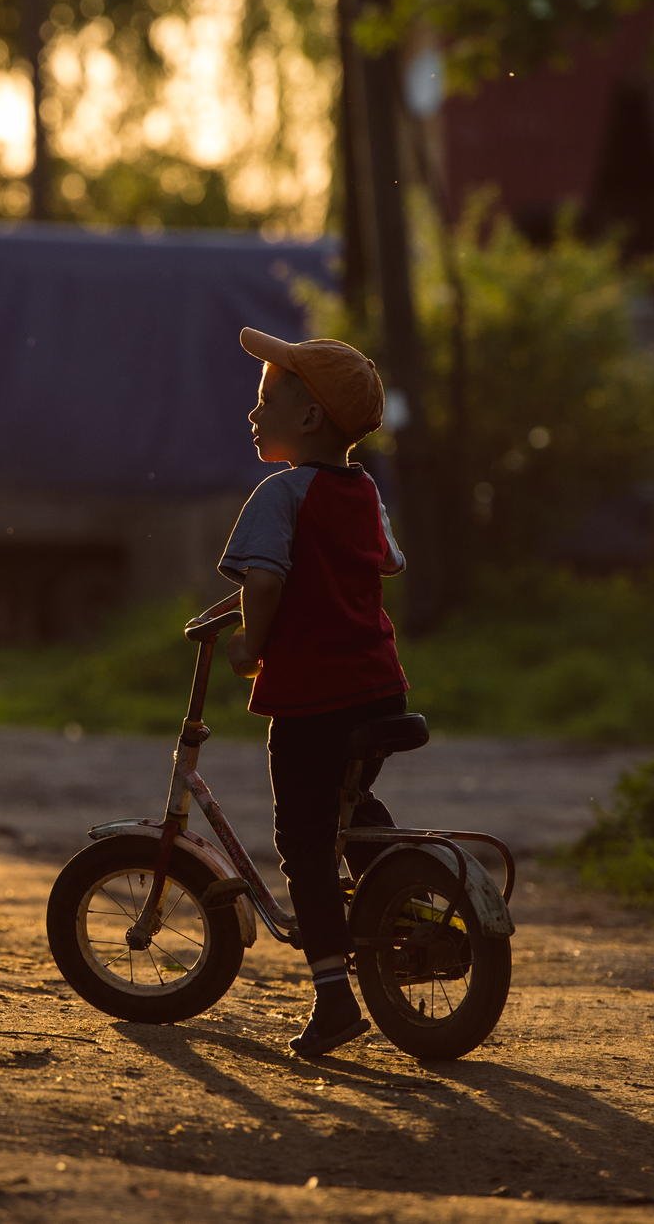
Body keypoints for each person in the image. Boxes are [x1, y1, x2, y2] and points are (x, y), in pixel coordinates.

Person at [217, 326, 408, 1058]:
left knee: (302, 841)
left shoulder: (281, 493)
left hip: (312, 700)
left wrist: (249, 644)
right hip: (377, 690)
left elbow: (263, 581)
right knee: (351, 810)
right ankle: (405, 898)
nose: (252, 412)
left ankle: (334, 997)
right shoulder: (363, 492)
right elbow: (384, 560)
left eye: (267, 399)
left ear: (309, 420)